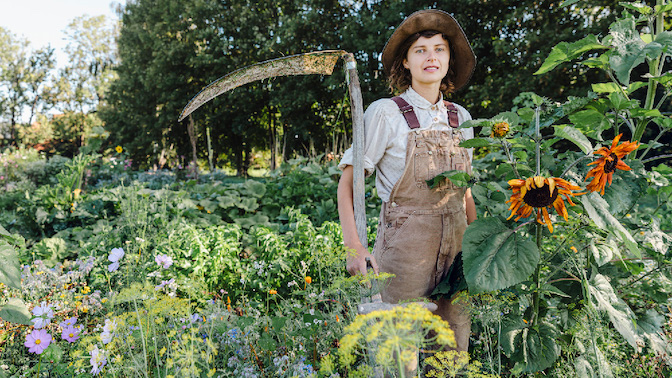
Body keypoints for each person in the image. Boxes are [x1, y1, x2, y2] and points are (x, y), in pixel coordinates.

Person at [337, 9, 477, 352]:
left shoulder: (463, 118)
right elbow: (347, 184)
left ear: (449, 60)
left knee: (451, 352)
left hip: (458, 252)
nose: (431, 57)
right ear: (406, 63)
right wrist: (354, 247)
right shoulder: (386, 112)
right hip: (404, 251)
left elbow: (465, 191)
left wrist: (480, 247)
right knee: (398, 353)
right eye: (420, 50)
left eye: (439, 49)